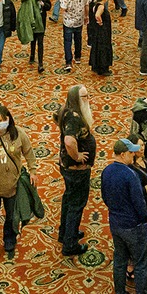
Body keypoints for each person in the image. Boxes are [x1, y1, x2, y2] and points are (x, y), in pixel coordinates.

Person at [101, 137, 147, 294]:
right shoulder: (130, 175)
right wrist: (144, 221)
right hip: (134, 225)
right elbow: (139, 203)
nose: (133, 156)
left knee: (119, 261)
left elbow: (104, 197)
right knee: (140, 264)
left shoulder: (106, 171)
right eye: (131, 153)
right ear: (123, 154)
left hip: (116, 224)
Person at [0, 104, 31, 258]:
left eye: (5, 119)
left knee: (11, 215)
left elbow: (29, 152)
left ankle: (9, 239)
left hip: (13, 185)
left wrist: (33, 170)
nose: (2, 122)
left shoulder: (18, 134)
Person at [56, 85, 96, 258]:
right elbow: (69, 141)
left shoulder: (66, 109)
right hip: (76, 170)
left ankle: (64, 233)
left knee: (69, 197)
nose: (88, 99)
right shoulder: (74, 117)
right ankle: (70, 243)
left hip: (66, 166)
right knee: (76, 204)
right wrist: (78, 156)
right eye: (84, 97)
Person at [58, 0, 87, 72]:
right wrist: (86, 16)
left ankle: (68, 62)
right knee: (78, 38)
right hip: (79, 20)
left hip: (68, 22)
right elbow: (87, 4)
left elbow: (63, 8)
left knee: (67, 41)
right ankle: (78, 57)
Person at [20, 0, 51, 72]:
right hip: (33, 21)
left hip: (41, 22)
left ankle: (40, 63)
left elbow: (49, 6)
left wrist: (43, 4)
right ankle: (32, 55)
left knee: (40, 42)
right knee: (33, 40)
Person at [87, 0, 115, 77]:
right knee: (103, 48)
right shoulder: (101, 6)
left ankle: (96, 65)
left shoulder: (95, 4)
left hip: (97, 31)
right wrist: (101, 22)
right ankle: (103, 68)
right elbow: (97, 15)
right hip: (103, 31)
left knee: (97, 47)